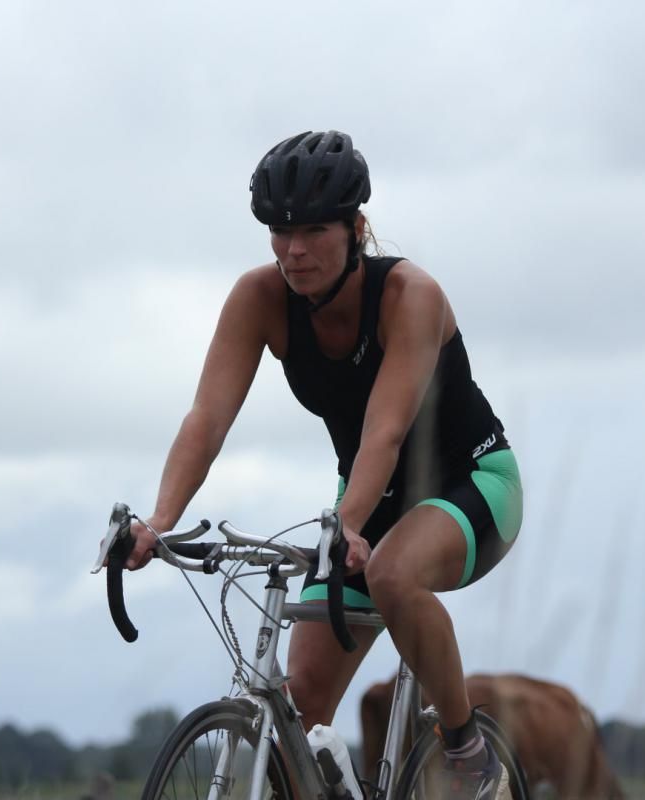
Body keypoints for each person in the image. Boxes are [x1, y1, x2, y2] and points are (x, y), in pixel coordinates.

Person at [125, 130, 523, 799]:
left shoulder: (409, 296)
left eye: (313, 230)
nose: (294, 250)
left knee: (394, 574)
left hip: (471, 485)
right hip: (363, 505)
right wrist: (159, 522)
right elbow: (207, 420)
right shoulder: (258, 299)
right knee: (299, 706)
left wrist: (346, 522)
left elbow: (385, 432)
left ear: (357, 229)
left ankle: (467, 749)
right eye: (279, 233)